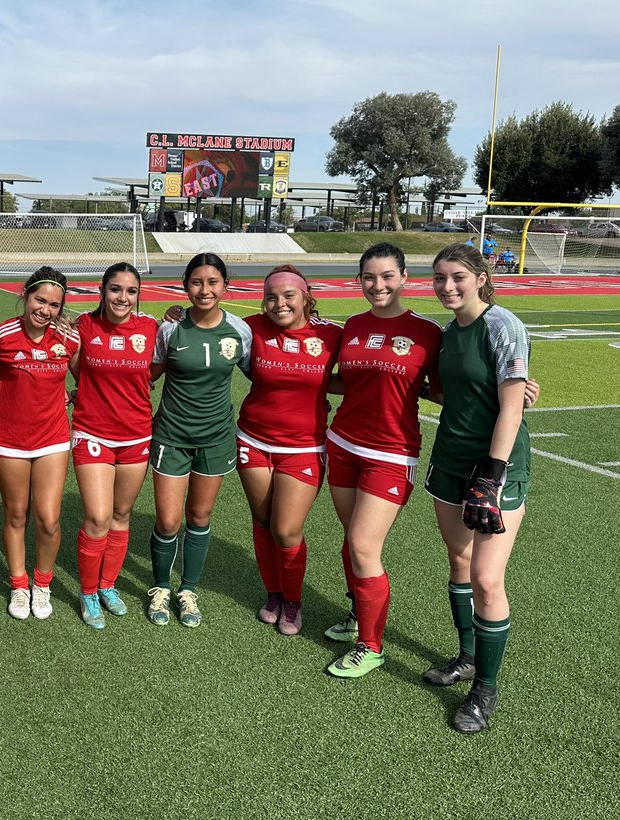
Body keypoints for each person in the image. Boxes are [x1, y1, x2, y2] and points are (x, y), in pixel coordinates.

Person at [423, 244, 531, 734]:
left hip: (493, 468)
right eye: (440, 278)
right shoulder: (447, 333)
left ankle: (485, 687)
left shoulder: (501, 324)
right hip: (448, 460)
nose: (448, 286)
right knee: (460, 564)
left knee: (488, 579)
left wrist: (492, 473)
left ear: (481, 277)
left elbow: (511, 408)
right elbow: (446, 391)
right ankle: (466, 656)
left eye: (458, 277)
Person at [323, 243, 442, 678]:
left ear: (404, 277)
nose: (379, 285)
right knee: (349, 539)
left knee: (363, 546)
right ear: (360, 280)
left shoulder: (428, 331)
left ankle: (370, 647)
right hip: (343, 443)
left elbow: (448, 388)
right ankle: (358, 615)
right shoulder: (352, 326)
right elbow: (337, 381)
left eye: (388, 276)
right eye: (370, 277)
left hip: (390, 452)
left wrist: (513, 388)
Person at [235, 265, 343, 636]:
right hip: (252, 439)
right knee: (263, 521)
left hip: (304, 446)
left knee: (287, 528)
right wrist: (176, 314)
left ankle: (293, 601)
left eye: (288, 295)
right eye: (271, 296)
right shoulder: (250, 327)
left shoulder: (331, 335)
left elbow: (361, 372)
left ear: (306, 298)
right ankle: (274, 594)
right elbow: (209, 323)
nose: (278, 303)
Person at [148, 253, 252, 628]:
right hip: (171, 436)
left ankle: (188, 591)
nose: (204, 290)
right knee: (168, 519)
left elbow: (264, 375)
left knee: (200, 516)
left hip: (216, 438)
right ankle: (160, 587)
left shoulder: (240, 331)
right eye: (196, 282)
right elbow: (146, 376)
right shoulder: (170, 329)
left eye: (212, 282)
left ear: (225, 285)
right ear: (185, 284)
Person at [0, 266, 79, 620]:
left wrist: (72, 393)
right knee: (16, 514)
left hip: (52, 440)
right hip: (9, 441)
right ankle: (18, 584)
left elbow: (89, 378)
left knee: (49, 519)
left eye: (54, 305)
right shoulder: (2, 335)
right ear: (25, 296)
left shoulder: (68, 339)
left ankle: (42, 585)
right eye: (39, 300)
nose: (45, 309)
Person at [71, 262, 158, 628]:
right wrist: (88, 392)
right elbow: (75, 367)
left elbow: (157, 367)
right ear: (102, 291)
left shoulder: (152, 328)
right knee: (98, 516)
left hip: (137, 433)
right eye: (116, 289)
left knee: (121, 516)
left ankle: (108, 585)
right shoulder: (83, 327)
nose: (123, 297)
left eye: (131, 291)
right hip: (92, 432)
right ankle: (88, 590)